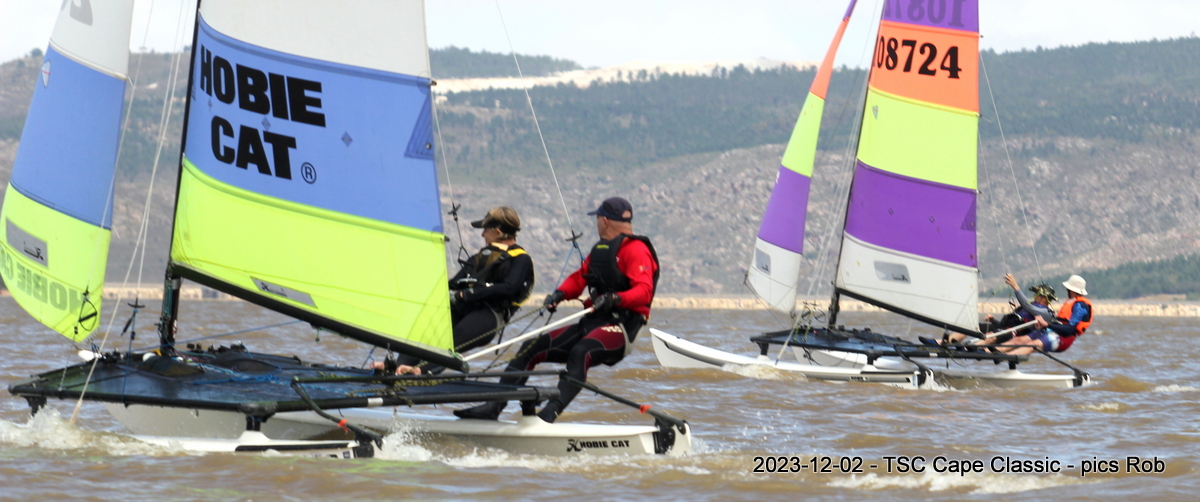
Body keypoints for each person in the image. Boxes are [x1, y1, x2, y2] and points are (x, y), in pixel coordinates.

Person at [453, 197, 659, 423]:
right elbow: (578, 279)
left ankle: (548, 415)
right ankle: (493, 407)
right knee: (531, 347)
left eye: (598, 218)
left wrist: (615, 298)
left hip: (621, 328)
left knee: (581, 352)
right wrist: (559, 294)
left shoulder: (636, 249)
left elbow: (644, 291)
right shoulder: (602, 250)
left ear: (605, 220)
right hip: (592, 323)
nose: (597, 223)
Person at [375, 206, 534, 375]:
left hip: (488, 315)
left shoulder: (521, 259)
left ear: (497, 231)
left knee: (450, 342)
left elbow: (509, 288)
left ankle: (421, 371)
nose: (482, 235)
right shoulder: (479, 258)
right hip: (464, 308)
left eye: (485, 230)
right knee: (424, 331)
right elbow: (452, 285)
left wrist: (466, 294)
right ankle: (397, 367)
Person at [934, 274, 1056, 347]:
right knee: (971, 326)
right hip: (1004, 329)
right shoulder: (1031, 306)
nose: (1034, 296)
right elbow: (1004, 325)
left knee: (992, 335)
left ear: (1044, 298)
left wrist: (1015, 286)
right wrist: (994, 321)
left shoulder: (1046, 312)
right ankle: (944, 342)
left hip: (1014, 334)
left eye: (1036, 294)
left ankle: (968, 348)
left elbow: (1028, 307)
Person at [993, 274, 1092, 356]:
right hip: (1052, 331)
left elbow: (1070, 329)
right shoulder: (1071, 302)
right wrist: (1044, 326)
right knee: (1018, 340)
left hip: (1064, 338)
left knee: (1032, 345)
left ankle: (1003, 357)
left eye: (1068, 288)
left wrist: (1047, 324)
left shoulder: (1081, 306)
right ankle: (992, 352)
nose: (1066, 290)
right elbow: (1060, 322)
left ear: (1072, 290)